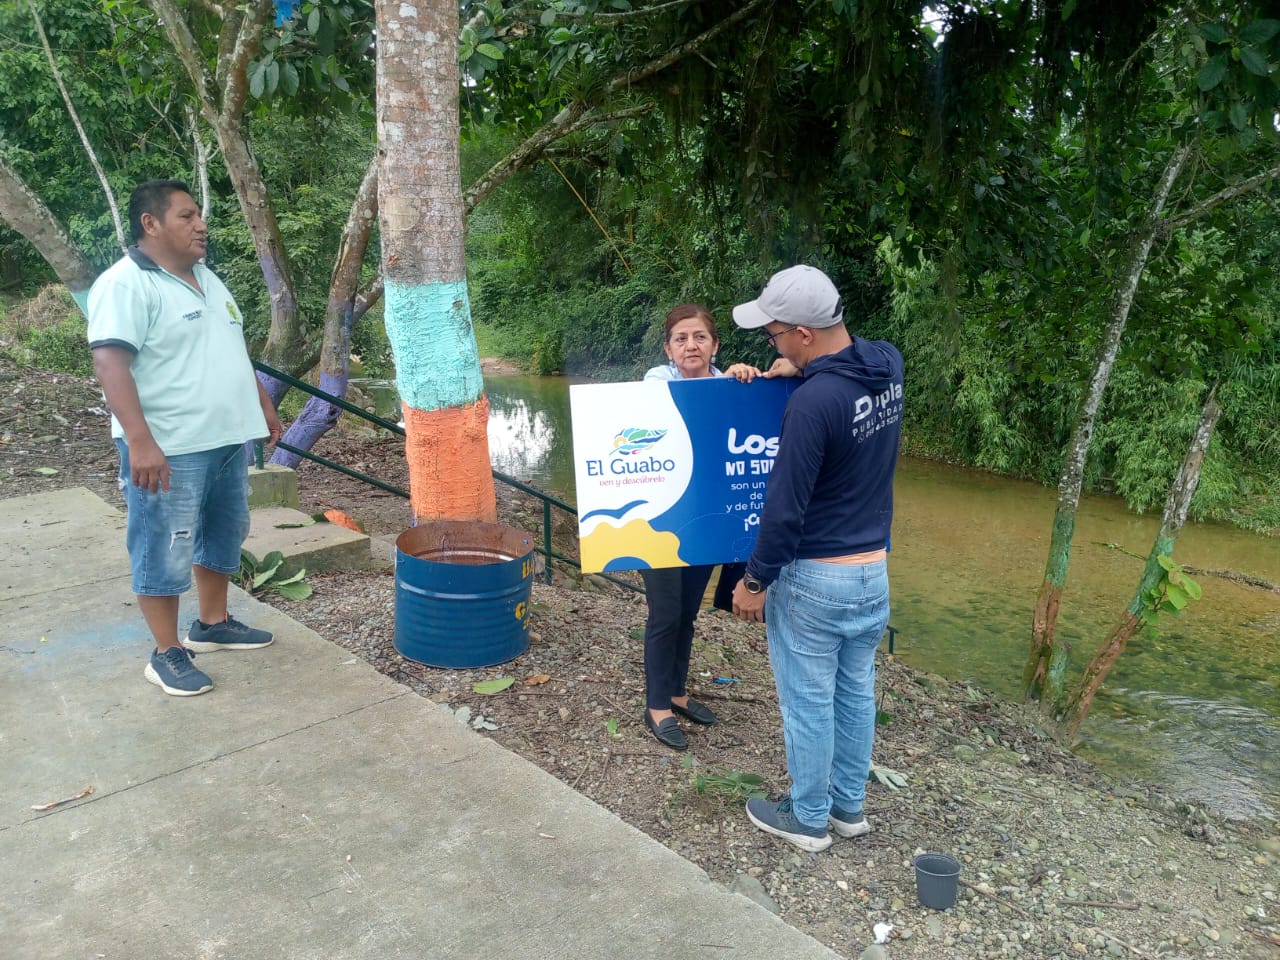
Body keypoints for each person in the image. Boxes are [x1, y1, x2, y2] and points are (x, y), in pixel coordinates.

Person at [729, 265, 904, 852]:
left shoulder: (811, 405)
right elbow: (847, 365)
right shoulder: (888, 365)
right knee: (855, 694)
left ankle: (807, 819)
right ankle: (848, 808)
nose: (772, 345)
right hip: (873, 574)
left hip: (816, 582)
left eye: (775, 335)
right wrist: (804, 367)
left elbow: (784, 511)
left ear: (803, 333)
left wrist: (755, 581)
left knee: (808, 703)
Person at [87, 179, 282, 697]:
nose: (201, 225)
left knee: (223, 533)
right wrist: (140, 441)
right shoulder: (126, 284)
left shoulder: (207, 279)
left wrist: (261, 404)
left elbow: (232, 348)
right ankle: (166, 651)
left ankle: (212, 624)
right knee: (163, 545)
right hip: (168, 446)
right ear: (150, 224)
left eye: (200, 215)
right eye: (187, 216)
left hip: (224, 438)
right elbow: (110, 363)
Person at [639, 303, 762, 750]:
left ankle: (676, 691)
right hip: (658, 519)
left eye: (700, 337)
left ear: (715, 344)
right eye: (681, 339)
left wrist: (742, 382)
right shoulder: (656, 381)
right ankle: (657, 705)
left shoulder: (730, 384)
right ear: (668, 349)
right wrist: (720, 386)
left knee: (688, 612)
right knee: (665, 613)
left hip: (705, 518)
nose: (690, 345)